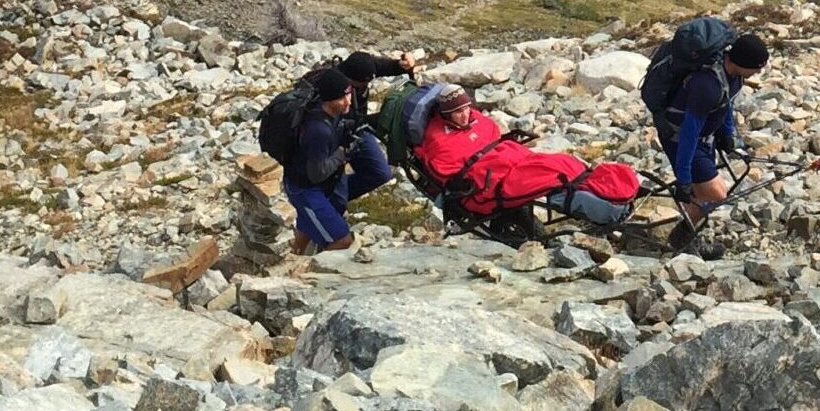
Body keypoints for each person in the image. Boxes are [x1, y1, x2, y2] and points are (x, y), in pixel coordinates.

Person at [409, 84, 643, 227]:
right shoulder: (439, 139)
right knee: (554, 179)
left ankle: (612, 190)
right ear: (446, 114)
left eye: (466, 108)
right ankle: (607, 208)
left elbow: (494, 138)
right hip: (489, 177)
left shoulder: (476, 119)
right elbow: (449, 175)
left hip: (510, 157)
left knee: (566, 164)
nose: (464, 115)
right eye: (457, 112)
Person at [656, 29, 769, 249]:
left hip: (703, 139)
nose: (758, 72)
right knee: (717, 194)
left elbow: (727, 104)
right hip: (679, 138)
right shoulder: (707, 84)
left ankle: (685, 233)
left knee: (707, 193)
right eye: (756, 68)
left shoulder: (734, 77)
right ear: (743, 63)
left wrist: (727, 135)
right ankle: (681, 240)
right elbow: (689, 130)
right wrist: (684, 176)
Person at [282, 66, 392, 254]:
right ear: (328, 100)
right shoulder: (318, 130)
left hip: (326, 184)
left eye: (349, 94)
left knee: (312, 221)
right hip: (307, 189)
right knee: (342, 241)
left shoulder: (333, 114)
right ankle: (315, 275)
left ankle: (296, 253)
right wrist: (342, 154)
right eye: (342, 98)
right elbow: (317, 174)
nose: (348, 101)